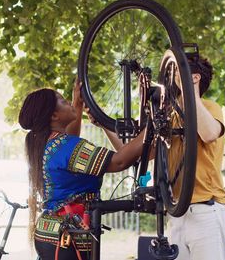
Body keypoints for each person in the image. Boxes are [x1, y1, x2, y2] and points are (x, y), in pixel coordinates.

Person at [18, 81, 145, 260]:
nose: (69, 103)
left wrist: (77, 103)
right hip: (68, 239)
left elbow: (70, 140)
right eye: (63, 101)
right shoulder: (66, 147)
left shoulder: (47, 143)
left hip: (52, 233)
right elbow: (119, 162)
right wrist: (150, 128)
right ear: (54, 115)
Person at [167, 54, 225, 260]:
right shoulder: (170, 116)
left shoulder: (210, 107)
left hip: (206, 210)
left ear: (193, 78)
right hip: (177, 212)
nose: (171, 75)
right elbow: (135, 153)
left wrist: (190, 92)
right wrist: (104, 125)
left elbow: (209, 133)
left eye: (177, 70)